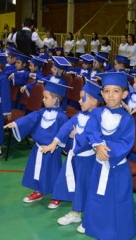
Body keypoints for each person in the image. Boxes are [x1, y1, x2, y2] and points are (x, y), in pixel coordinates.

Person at [80, 72, 136, 239]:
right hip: (99, 164)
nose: (110, 96)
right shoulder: (96, 113)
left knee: (117, 200)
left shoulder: (127, 119)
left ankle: (117, 232)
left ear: (124, 94)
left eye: (116, 91)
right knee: (97, 195)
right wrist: (97, 145)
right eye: (106, 91)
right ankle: (97, 228)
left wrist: (106, 150)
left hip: (117, 168)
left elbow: (126, 142)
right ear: (102, 93)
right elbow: (91, 130)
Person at [43, 80, 102, 222]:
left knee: (85, 187)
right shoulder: (79, 115)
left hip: (88, 159)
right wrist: (55, 142)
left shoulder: (98, 117)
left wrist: (77, 136)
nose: (79, 100)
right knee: (74, 183)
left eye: (83, 98)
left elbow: (90, 138)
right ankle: (76, 213)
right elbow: (67, 126)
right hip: (77, 157)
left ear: (94, 101)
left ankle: (85, 216)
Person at [4, 79, 69, 204]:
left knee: (52, 173)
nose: (43, 100)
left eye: (46, 97)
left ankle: (56, 196)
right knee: (37, 171)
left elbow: (64, 134)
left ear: (55, 100)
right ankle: (38, 191)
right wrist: (16, 123)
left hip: (52, 151)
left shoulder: (62, 117)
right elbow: (30, 118)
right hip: (38, 148)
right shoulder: (41, 112)